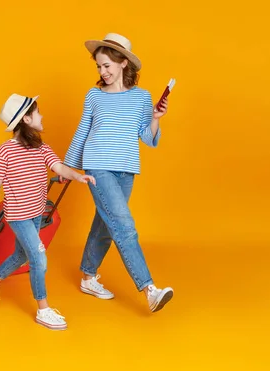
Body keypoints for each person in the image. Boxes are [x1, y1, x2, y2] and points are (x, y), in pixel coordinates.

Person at [63, 33, 174, 313]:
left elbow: (146, 139)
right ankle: (149, 289)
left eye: (107, 66)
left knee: (106, 225)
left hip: (126, 170)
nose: (103, 72)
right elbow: (82, 132)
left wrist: (156, 120)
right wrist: (67, 167)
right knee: (123, 226)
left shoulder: (142, 98)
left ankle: (88, 276)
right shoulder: (94, 95)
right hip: (98, 165)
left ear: (124, 63)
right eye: (99, 67)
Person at [0, 93, 96, 331]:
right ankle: (43, 310)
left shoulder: (41, 147)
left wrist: (76, 175)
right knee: (39, 259)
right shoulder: (5, 151)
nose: (42, 116)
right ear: (26, 119)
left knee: (21, 255)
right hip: (18, 215)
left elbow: (58, 166)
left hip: (37, 211)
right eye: (37, 112)